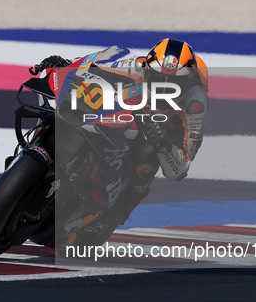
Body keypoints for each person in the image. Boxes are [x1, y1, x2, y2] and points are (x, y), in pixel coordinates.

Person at [33, 38, 209, 245]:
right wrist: (63, 64)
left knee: (145, 165)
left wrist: (163, 142)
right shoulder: (128, 63)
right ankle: (34, 147)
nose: (164, 87)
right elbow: (87, 65)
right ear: (147, 68)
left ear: (188, 82)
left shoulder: (195, 104)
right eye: (158, 78)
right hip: (116, 111)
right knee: (61, 102)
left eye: (174, 84)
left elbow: (178, 170)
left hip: (148, 134)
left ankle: (107, 222)